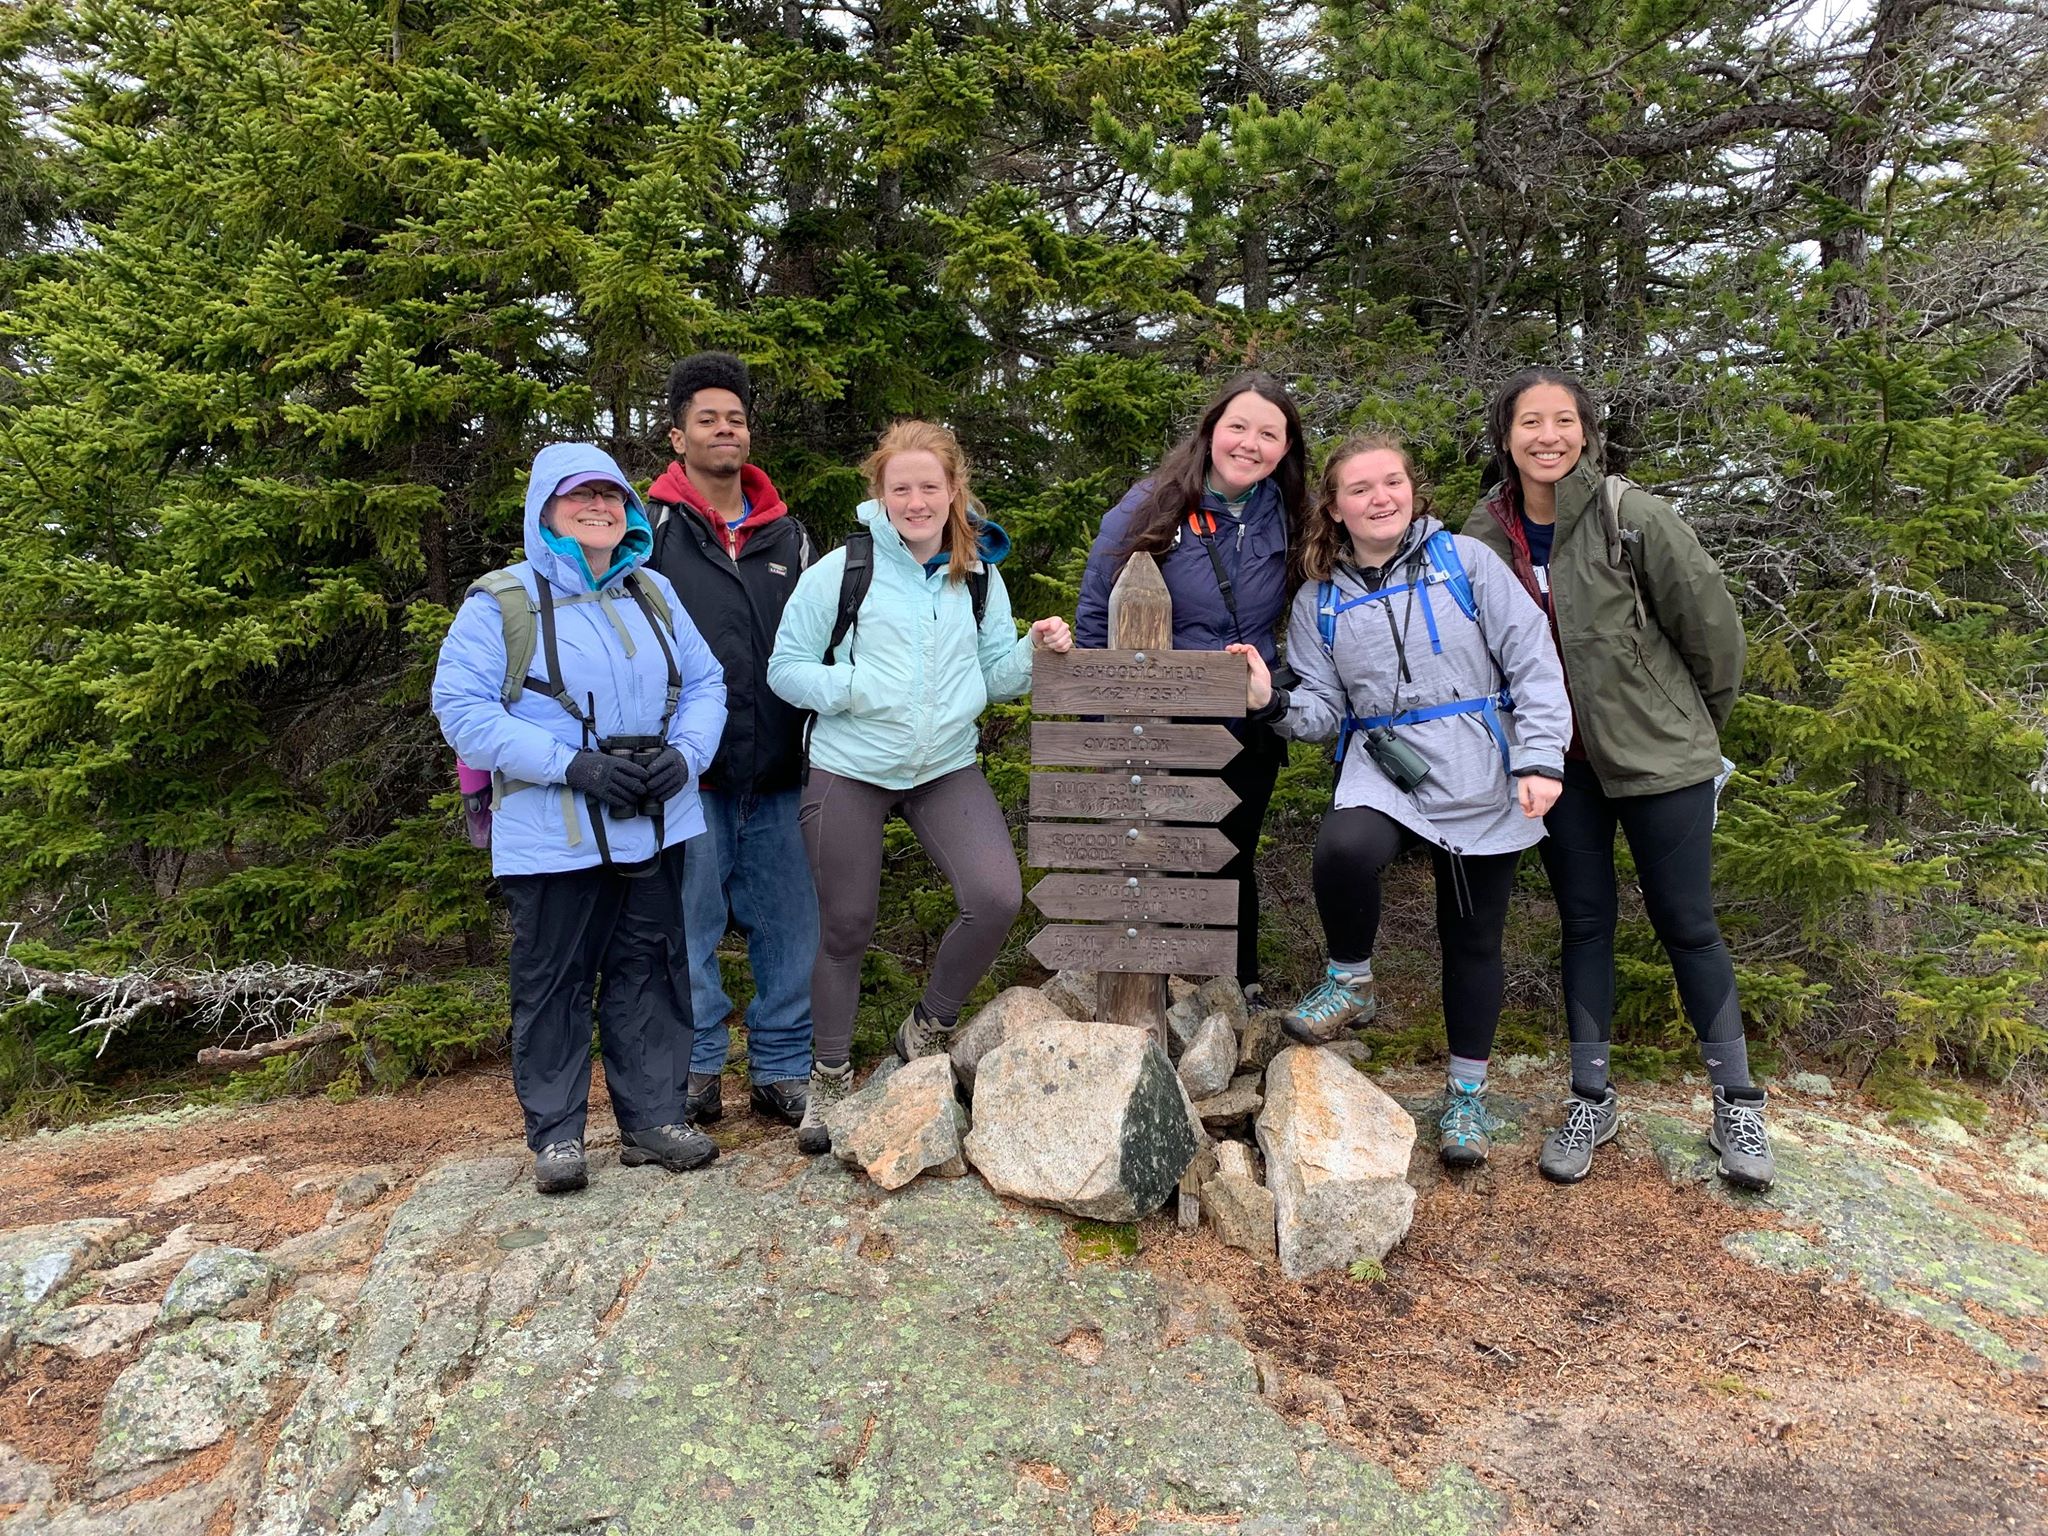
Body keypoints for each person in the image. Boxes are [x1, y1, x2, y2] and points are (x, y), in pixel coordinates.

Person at [1464, 367, 1770, 1189]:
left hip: (1662, 760)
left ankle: (1737, 1102)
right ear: (1506, 437)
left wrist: (1688, 731)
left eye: (1564, 420)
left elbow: (1715, 635)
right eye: (1530, 422)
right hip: (1560, 766)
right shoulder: (1482, 539)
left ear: (1587, 431)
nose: (1547, 437)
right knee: (1585, 924)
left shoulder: (1630, 517)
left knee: (1688, 923)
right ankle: (1591, 1096)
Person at [1233, 435, 1570, 1166]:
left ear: (1414, 491)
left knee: (1473, 937)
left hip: (1481, 763)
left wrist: (1542, 759)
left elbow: (1534, 660)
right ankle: (1350, 980)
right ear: (1334, 507)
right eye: (1360, 489)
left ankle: (1466, 1100)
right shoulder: (1319, 599)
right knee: (1345, 849)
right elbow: (1321, 709)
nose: (1379, 497)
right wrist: (1269, 700)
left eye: (1391, 483)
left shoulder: (1467, 562)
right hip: (1382, 761)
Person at [767, 420, 1072, 1154]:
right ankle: (831, 1079)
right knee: (845, 926)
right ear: (881, 493)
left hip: (943, 766)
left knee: (996, 897)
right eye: (900, 487)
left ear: (952, 490)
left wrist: (1035, 651)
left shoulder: (979, 576)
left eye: (928, 486)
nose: (915, 499)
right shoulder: (843, 571)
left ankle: (924, 1030)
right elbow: (785, 667)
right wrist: (853, 687)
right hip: (850, 766)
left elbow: (995, 678)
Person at [433, 443, 728, 1195]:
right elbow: (462, 711)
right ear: (545, 509)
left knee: (651, 971)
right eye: (580, 496)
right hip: (551, 831)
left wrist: (687, 755)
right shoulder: (501, 601)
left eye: (612, 494)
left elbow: (706, 682)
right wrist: (575, 765)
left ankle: (653, 1121)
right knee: (553, 980)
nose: (600, 507)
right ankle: (558, 1136)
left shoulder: (653, 591)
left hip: (655, 818)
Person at [1076, 372, 1307, 1004]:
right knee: (1165, 858)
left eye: (1268, 433)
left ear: (1285, 449)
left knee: (1230, 855)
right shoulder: (1150, 505)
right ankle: (1163, 995)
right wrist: (1107, 727)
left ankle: (1238, 995)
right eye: (1238, 426)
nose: (1250, 444)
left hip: (1246, 719)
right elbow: (1097, 615)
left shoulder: (1289, 516)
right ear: (1210, 431)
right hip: (1159, 723)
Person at [646, 352, 817, 1130]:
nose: (725, 429)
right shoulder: (647, 534)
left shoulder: (792, 537)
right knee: (689, 928)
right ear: (677, 437)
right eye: (707, 418)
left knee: (791, 928)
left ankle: (783, 1068)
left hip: (782, 768)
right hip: (690, 775)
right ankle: (698, 1068)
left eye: (736, 418)